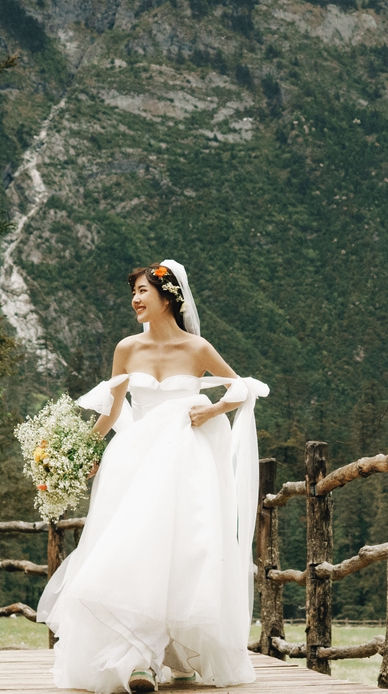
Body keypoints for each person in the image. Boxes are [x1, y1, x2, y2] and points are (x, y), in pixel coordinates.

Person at [39, 260, 268, 694]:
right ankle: (137, 659)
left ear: (168, 297)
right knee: (132, 550)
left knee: (183, 554)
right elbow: (111, 413)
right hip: (134, 461)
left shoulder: (197, 348)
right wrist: (76, 454)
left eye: (143, 291)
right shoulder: (127, 348)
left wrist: (212, 410)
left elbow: (241, 389)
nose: (135, 299)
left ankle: (177, 658)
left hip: (185, 462)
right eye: (134, 292)